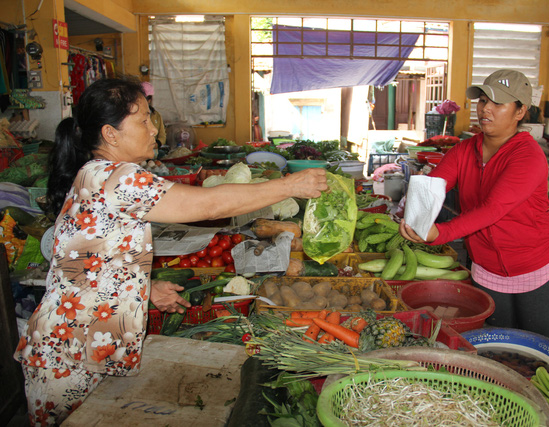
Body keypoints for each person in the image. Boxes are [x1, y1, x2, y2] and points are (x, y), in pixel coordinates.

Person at [13, 78, 327, 426]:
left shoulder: (98, 174)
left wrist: (142, 290)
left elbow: (88, 262)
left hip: (80, 345)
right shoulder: (117, 178)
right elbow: (209, 205)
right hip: (71, 355)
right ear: (111, 134)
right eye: (143, 120)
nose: (153, 130)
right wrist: (289, 185)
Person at [400, 69, 549, 339]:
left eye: (498, 103)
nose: (486, 109)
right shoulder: (465, 150)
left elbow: (494, 209)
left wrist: (442, 232)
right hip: (487, 267)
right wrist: (415, 217)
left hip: (534, 265)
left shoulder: (528, 156)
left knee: (534, 344)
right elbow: (433, 185)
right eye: (483, 100)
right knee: (499, 342)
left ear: (520, 112)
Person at [141, 81, 166, 148]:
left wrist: (157, 144)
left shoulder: (156, 115)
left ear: (150, 99)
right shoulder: (134, 116)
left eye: (147, 99)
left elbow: (162, 135)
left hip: (153, 151)